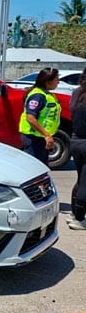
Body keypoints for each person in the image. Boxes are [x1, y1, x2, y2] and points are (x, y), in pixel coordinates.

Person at [18, 67, 61, 166]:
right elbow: (30, 118)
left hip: (41, 137)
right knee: (33, 168)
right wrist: (46, 135)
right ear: (48, 81)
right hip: (34, 138)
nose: (58, 82)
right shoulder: (38, 96)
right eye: (56, 79)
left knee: (41, 167)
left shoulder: (47, 95)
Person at [67, 67, 86, 230]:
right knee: (84, 183)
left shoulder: (77, 93)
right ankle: (79, 219)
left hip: (75, 140)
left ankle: (75, 214)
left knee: (81, 180)